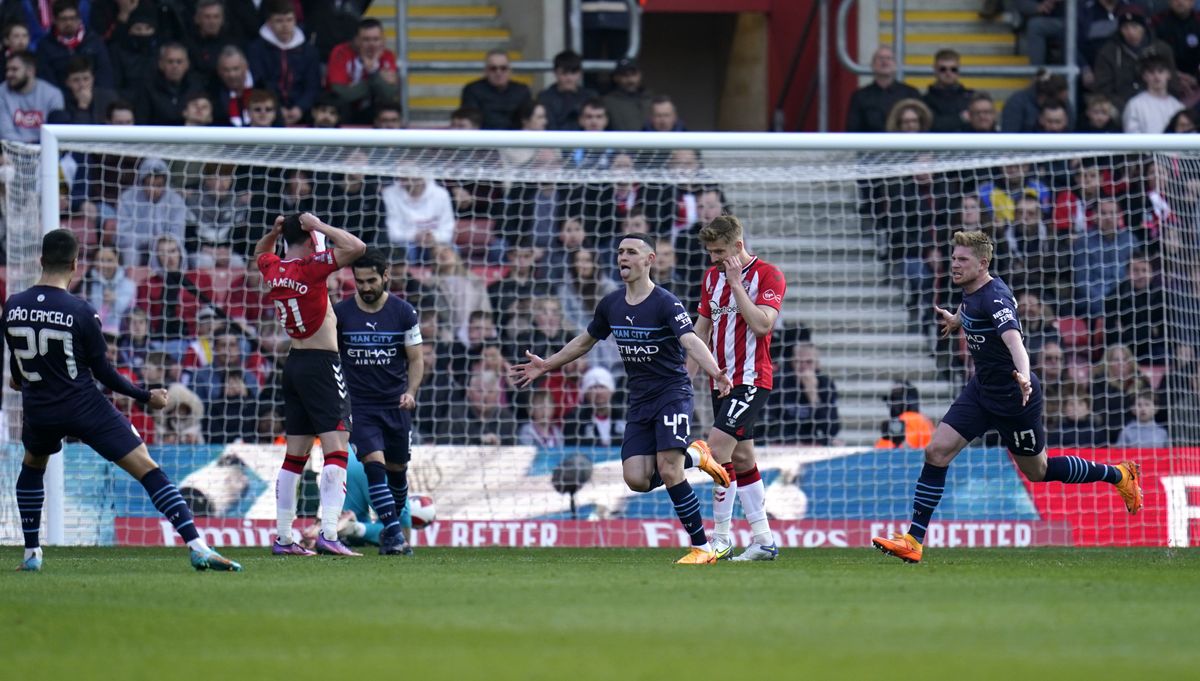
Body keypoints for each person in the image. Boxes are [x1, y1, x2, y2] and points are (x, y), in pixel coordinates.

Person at [872, 231, 1144, 564]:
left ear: (982, 263)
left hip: (1015, 399)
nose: (954, 265)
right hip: (981, 391)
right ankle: (914, 540)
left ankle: (1119, 475)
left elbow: (1016, 342)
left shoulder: (996, 298)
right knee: (936, 450)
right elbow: (972, 310)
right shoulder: (972, 291)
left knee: (1039, 472)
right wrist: (958, 320)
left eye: (962, 260)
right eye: (954, 258)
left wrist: (1025, 377)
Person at [6, 229, 240, 572]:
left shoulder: (12, 306)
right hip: (85, 407)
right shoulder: (81, 311)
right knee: (147, 469)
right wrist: (146, 396)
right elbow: (104, 373)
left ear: (40, 260)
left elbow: (16, 365)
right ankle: (196, 544)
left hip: (41, 408)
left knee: (32, 467)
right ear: (75, 264)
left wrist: (20, 378)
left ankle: (31, 553)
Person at [511, 233, 735, 564]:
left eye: (631, 252)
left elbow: (690, 340)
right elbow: (584, 342)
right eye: (620, 252)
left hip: (672, 393)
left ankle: (703, 547)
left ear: (649, 260)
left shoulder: (665, 302)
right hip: (640, 400)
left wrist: (715, 372)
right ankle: (696, 456)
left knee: (669, 469)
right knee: (637, 479)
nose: (623, 258)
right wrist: (547, 364)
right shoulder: (611, 304)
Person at [253, 212, 366, 556]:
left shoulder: (273, 268)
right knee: (337, 448)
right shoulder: (310, 267)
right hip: (321, 365)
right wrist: (319, 225)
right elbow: (357, 247)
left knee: (295, 457)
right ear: (309, 239)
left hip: (294, 365)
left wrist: (273, 234)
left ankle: (284, 538)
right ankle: (329, 532)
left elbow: (260, 253)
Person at [690, 215, 785, 561]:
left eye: (719, 250)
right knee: (742, 458)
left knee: (716, 452)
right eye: (710, 251)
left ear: (738, 246)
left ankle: (720, 538)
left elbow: (762, 325)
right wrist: (686, 378)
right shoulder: (711, 278)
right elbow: (700, 332)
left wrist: (737, 284)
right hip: (723, 382)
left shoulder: (768, 275)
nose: (713, 258)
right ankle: (763, 539)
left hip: (752, 379)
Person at [333, 249, 424, 556]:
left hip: (396, 406)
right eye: (360, 281)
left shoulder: (403, 313)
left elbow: (416, 358)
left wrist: (411, 391)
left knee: (397, 473)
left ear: (386, 276)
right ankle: (396, 537)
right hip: (359, 406)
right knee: (375, 467)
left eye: (371, 280)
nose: (365, 286)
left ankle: (389, 530)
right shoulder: (342, 315)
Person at [845, 46, 920, 132]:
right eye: (880, 58)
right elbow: (852, 130)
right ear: (872, 65)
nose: (884, 62)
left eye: (889, 58)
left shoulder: (911, 93)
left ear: (895, 65)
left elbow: (921, 127)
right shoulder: (860, 97)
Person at [460, 48, 532, 130]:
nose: (498, 72)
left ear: (510, 70)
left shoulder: (522, 91)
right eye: (493, 68)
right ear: (486, 71)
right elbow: (470, 122)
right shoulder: (472, 90)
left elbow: (528, 120)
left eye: (503, 68)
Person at [0, 51, 63, 142]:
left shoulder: (53, 94)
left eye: (14, 69)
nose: (8, 74)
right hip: (12, 151)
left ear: (30, 71)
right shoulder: (2, 92)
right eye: (8, 70)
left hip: (46, 150)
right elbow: (6, 133)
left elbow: (56, 133)